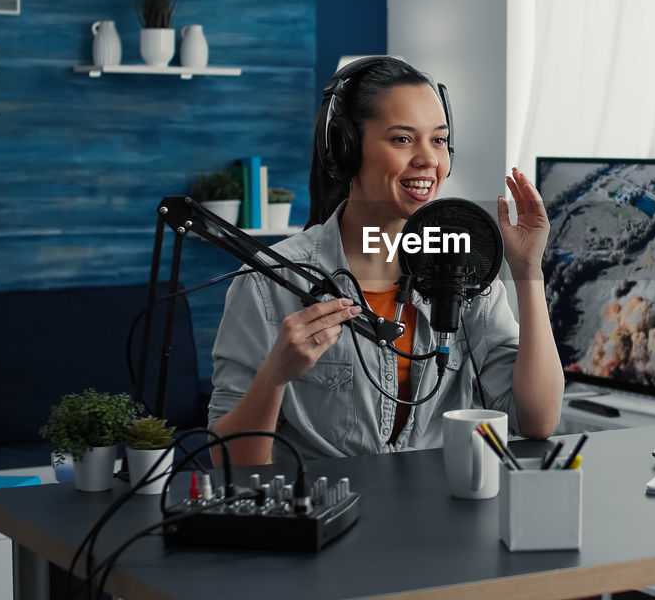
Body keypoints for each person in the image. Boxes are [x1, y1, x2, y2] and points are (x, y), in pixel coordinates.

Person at [208, 56, 564, 465]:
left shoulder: (463, 271)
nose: (429, 159)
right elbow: (228, 463)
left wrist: (527, 271)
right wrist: (275, 376)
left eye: (439, 140)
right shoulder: (268, 283)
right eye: (402, 139)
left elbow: (537, 420)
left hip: (438, 517)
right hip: (330, 519)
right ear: (346, 150)